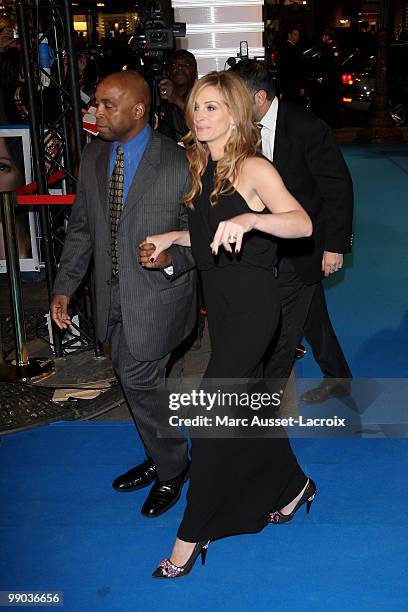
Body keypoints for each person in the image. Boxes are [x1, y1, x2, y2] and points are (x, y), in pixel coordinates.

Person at [139, 70, 315, 579]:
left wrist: (252, 219)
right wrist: (172, 239)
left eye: (213, 107)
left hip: (255, 311)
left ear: (237, 113)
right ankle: (293, 486)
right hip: (223, 311)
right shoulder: (201, 165)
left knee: (215, 422)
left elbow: (301, 223)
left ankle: (191, 537)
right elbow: (208, 237)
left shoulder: (255, 168)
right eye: (197, 106)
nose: (200, 115)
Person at [50, 71, 196, 518]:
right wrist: (64, 288)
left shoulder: (178, 162)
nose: (96, 112)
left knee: (138, 378)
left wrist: (171, 259)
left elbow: (201, 237)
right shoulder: (93, 158)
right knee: (132, 378)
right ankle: (159, 454)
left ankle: (173, 467)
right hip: (109, 300)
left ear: (138, 110)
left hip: (158, 299)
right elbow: (81, 231)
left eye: (108, 104)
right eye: (96, 102)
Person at [232, 59, 353, 403]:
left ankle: (262, 404)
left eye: (237, 99)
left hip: (306, 241)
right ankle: (339, 376)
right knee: (312, 315)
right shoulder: (243, 130)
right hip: (269, 242)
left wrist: (334, 246)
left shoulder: (306, 127)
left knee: (282, 325)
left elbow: (337, 189)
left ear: (259, 97)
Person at [158, 49, 198, 142]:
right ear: (167, 72)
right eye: (174, 65)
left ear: (195, 73)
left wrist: (176, 99)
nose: (179, 67)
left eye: (187, 65)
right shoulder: (158, 99)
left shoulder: (204, 97)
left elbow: (202, 122)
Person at [277, 25, 305, 105]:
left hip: (286, 85)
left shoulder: (284, 47)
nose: (297, 37)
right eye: (295, 35)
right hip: (292, 86)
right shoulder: (291, 49)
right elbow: (298, 69)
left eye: (298, 35)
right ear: (289, 35)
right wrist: (301, 86)